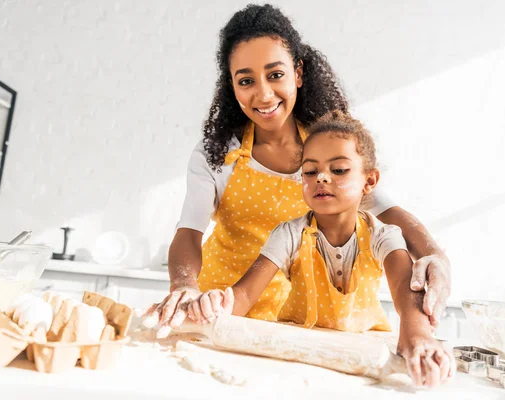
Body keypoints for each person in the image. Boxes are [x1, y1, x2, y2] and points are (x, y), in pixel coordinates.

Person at [146, 4, 450, 328]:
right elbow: (190, 232)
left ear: (298, 73)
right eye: (246, 80)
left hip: (300, 321)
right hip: (221, 310)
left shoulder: (328, 150)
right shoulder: (217, 154)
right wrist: (184, 285)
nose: (263, 95)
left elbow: (388, 212)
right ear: (231, 87)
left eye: (275, 75)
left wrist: (435, 256)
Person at [186, 111, 456, 388]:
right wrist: (216, 303)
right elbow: (244, 294)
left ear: (370, 181)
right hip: (296, 355)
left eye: (338, 170)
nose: (321, 178)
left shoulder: (383, 236)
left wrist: (418, 334)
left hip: (362, 356)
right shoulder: (288, 234)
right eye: (310, 171)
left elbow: (403, 283)